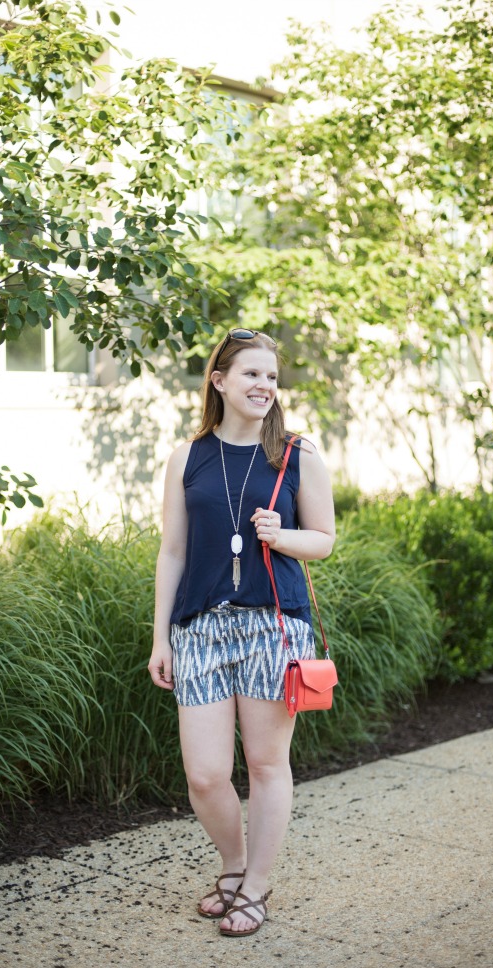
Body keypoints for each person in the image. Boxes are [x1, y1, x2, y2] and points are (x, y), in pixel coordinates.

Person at [147, 328, 335, 937]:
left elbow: (325, 541)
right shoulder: (188, 456)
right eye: (251, 374)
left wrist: (281, 535)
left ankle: (255, 887)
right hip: (200, 627)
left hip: (271, 627)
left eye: (272, 377)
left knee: (264, 763)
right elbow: (172, 552)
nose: (264, 386)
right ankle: (233, 864)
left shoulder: (297, 455)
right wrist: (161, 637)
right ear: (219, 380)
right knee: (204, 774)